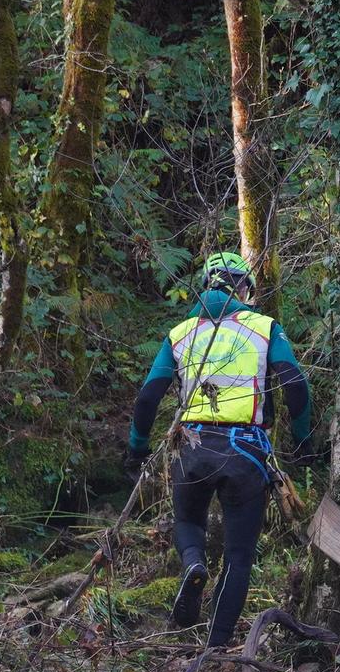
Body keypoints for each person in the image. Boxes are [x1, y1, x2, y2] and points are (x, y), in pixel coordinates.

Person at [125, 253, 314, 648]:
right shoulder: (264, 328)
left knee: (187, 521)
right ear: (243, 287)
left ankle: (193, 562)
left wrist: (137, 448)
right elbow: (295, 383)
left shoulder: (180, 333)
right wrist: (304, 441)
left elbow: (147, 398)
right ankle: (217, 644)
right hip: (244, 451)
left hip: (191, 447)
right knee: (239, 554)